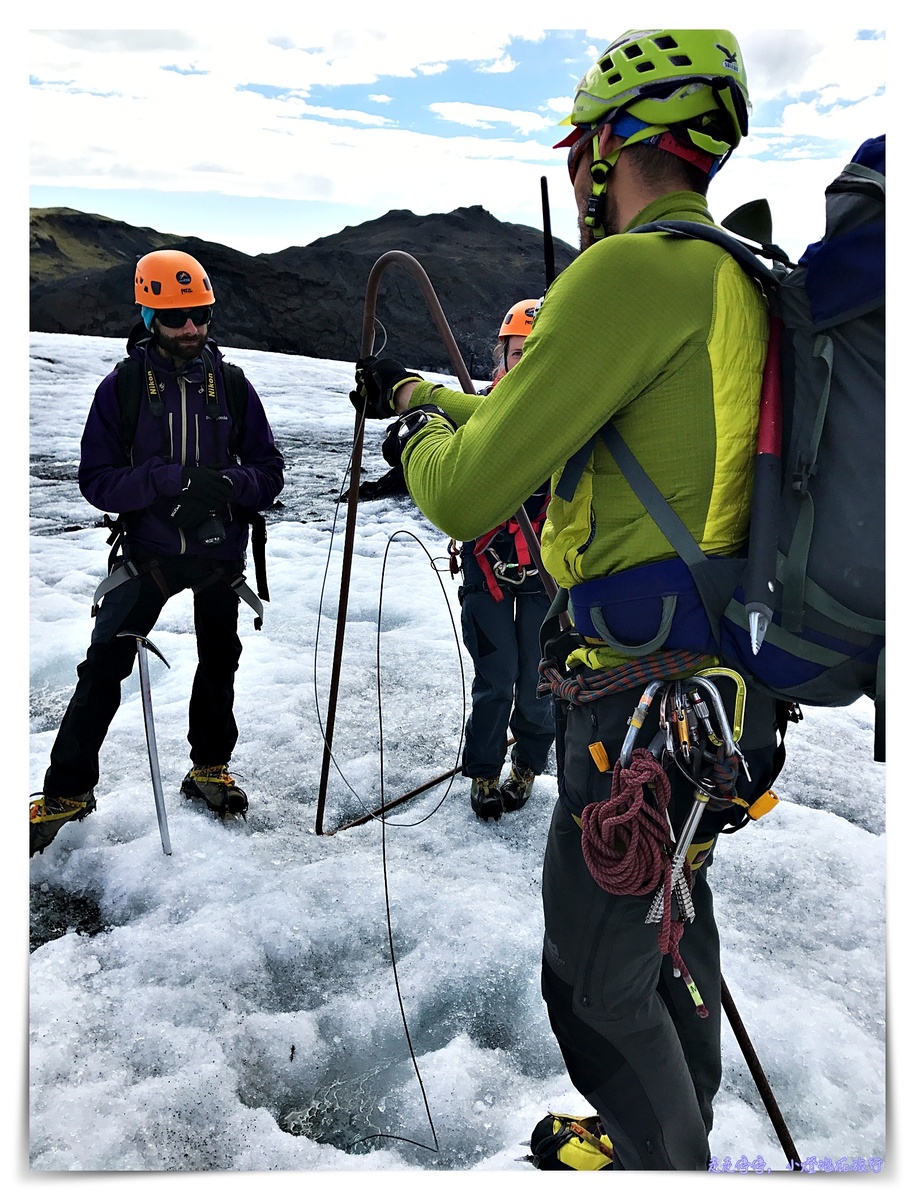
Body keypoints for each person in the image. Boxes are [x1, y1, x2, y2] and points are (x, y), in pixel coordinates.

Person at [351, 29, 788, 1170]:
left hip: (633, 702)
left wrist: (414, 439)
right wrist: (426, 392)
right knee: (667, 925)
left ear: (608, 147)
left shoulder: (629, 272)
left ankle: (658, 1162)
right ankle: (670, 1130)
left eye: (585, 146)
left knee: (592, 981)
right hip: (720, 697)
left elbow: (473, 487)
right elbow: (525, 417)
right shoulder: (732, 277)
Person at [30, 250, 285, 855]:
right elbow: (97, 479)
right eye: (175, 318)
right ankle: (67, 791)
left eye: (198, 314)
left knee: (219, 659)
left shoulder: (234, 386)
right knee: (102, 670)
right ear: (148, 317)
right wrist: (165, 480)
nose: (191, 328)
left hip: (220, 554)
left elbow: (270, 472)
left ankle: (209, 769)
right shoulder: (120, 390)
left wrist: (225, 485)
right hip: (148, 553)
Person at [455, 300, 554, 820]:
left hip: (546, 574)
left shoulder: (570, 420)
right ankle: (485, 772)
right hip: (488, 570)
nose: (527, 362)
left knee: (539, 682)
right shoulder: (476, 416)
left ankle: (528, 765)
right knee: (497, 679)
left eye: (537, 352)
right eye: (519, 353)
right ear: (504, 357)